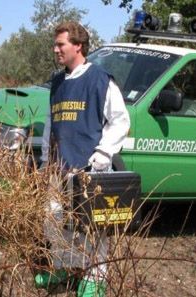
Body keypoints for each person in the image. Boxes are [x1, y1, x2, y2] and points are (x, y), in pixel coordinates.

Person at [36, 22, 130, 297]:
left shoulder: (100, 79)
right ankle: (66, 269)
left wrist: (102, 155)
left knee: (93, 230)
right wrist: (45, 162)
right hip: (59, 168)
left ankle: (95, 279)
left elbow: (120, 121)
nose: (55, 50)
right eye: (55, 45)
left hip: (91, 170)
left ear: (78, 45)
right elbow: (51, 123)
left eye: (60, 45)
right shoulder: (57, 82)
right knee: (56, 222)